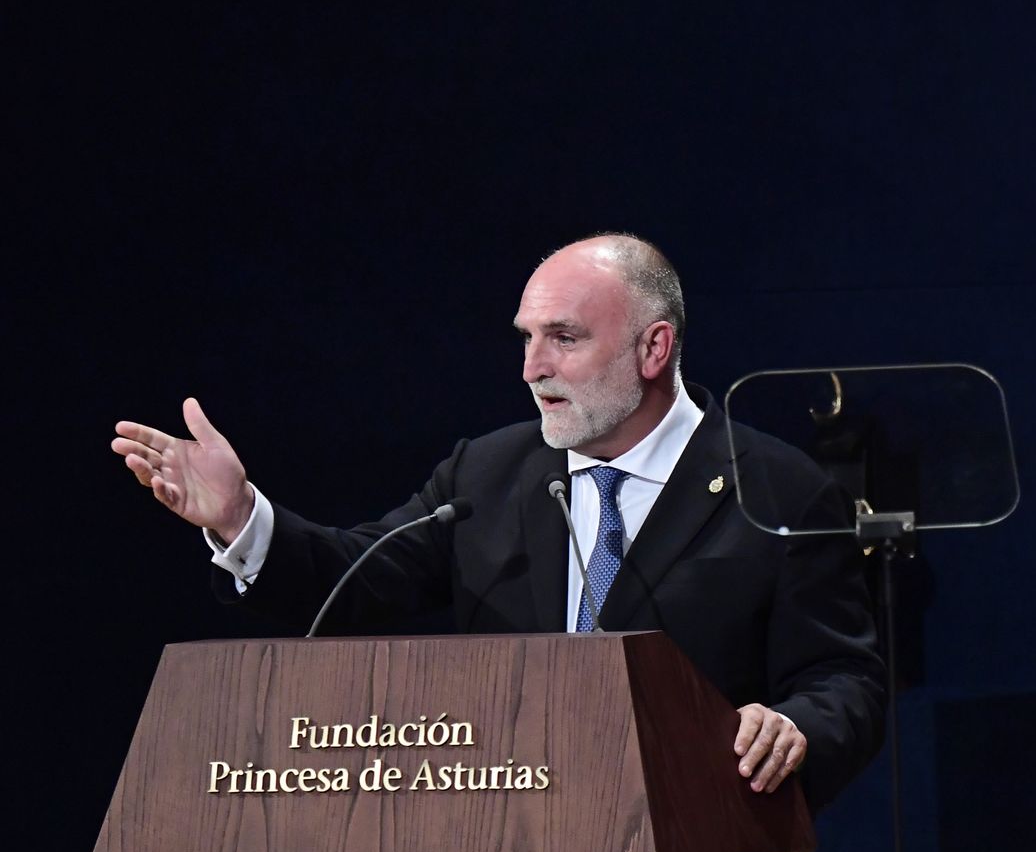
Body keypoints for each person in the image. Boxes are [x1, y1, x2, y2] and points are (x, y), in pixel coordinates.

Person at [110, 233, 885, 809]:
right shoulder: (486, 474)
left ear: (654, 348)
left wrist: (793, 728)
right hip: (512, 846)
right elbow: (350, 583)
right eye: (527, 338)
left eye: (563, 339)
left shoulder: (777, 490)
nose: (531, 368)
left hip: (707, 848)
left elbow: (844, 681)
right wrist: (240, 517)